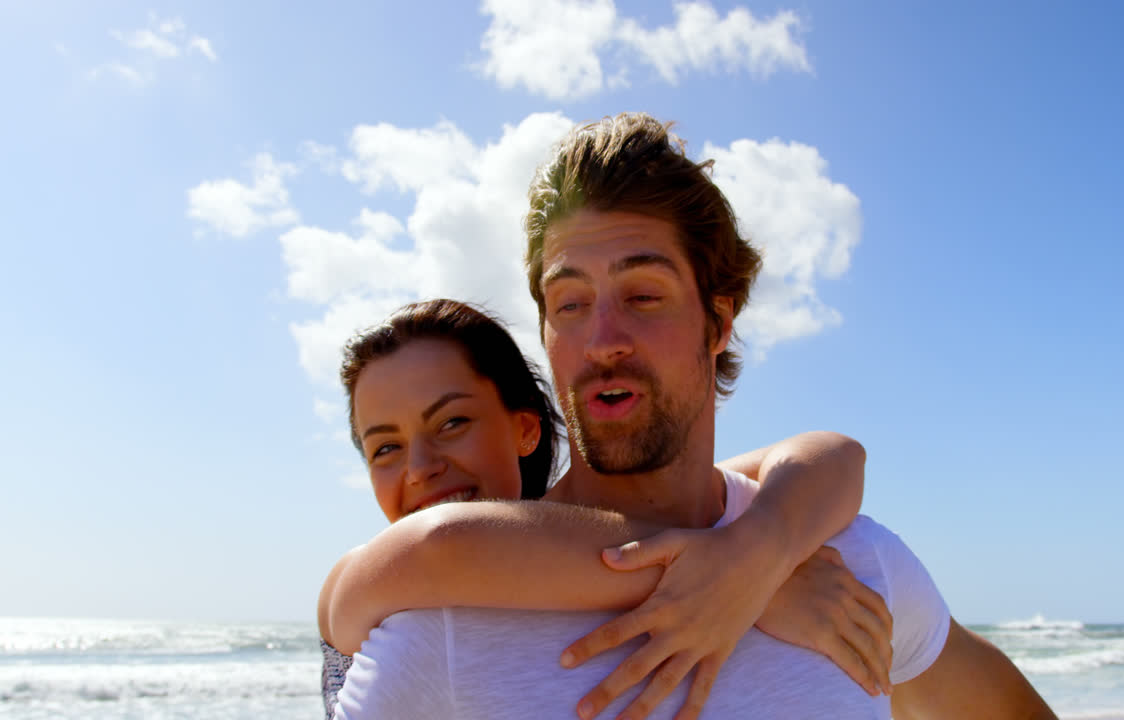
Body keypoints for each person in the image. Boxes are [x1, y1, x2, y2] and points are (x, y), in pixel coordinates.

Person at [335, 113, 1058, 719]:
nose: (602, 339)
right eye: (570, 305)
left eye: (643, 296)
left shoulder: (852, 570)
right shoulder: (445, 632)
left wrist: (763, 551)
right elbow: (430, 552)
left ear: (718, 323)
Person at [318, 298, 894, 719]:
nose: (418, 467)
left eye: (452, 423)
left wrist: (762, 546)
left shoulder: (583, 528)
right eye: (385, 447)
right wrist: (755, 580)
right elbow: (439, 546)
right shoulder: (363, 576)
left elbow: (834, 456)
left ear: (524, 429)